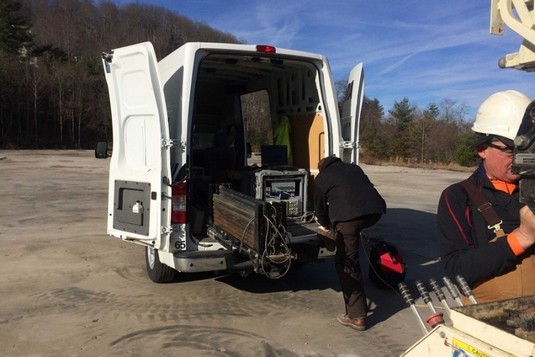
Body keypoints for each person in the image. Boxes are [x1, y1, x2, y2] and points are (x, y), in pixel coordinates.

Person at [437, 90, 535, 303]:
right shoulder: (458, 197)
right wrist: (522, 237)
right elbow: (456, 270)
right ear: (483, 149)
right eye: (511, 151)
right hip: (488, 320)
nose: (521, 160)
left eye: (528, 150)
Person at [314, 156, 386, 331]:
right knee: (351, 243)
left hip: (349, 220)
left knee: (347, 264)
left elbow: (319, 209)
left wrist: (325, 226)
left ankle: (356, 316)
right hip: (375, 212)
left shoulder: (321, 178)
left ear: (321, 167)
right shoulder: (354, 168)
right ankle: (358, 307)